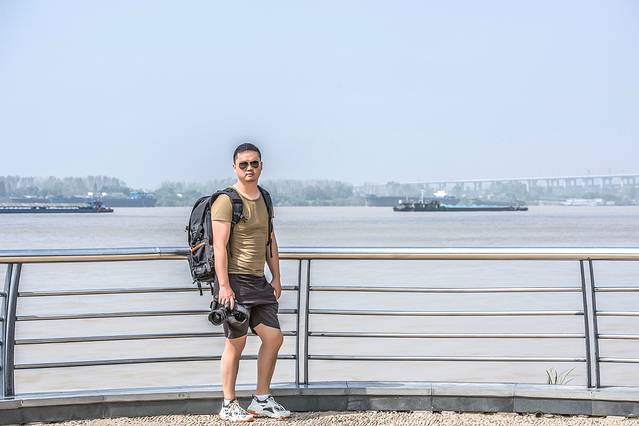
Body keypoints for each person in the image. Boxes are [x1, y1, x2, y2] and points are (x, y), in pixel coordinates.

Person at [211, 142, 291, 422]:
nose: (249, 168)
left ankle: (261, 399)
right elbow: (219, 247)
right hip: (234, 281)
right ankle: (228, 404)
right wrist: (224, 286)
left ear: (261, 166)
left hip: (259, 281)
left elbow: (270, 240)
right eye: (243, 164)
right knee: (236, 343)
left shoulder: (265, 198)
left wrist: (276, 276)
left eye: (254, 163)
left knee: (274, 337)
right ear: (235, 167)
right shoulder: (226, 201)